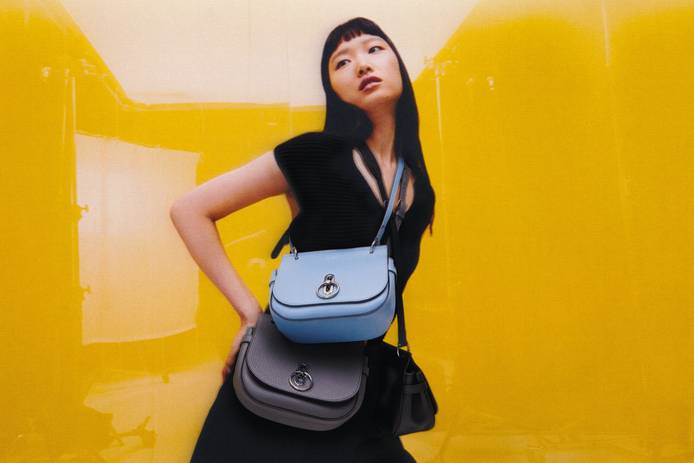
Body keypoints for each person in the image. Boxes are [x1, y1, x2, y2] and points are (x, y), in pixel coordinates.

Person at [170, 16, 436, 463]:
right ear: (333, 87)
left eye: (374, 49)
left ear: (398, 64)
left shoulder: (419, 188)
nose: (361, 65)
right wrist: (248, 315)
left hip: (360, 380)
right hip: (280, 376)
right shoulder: (313, 154)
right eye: (341, 62)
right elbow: (189, 209)